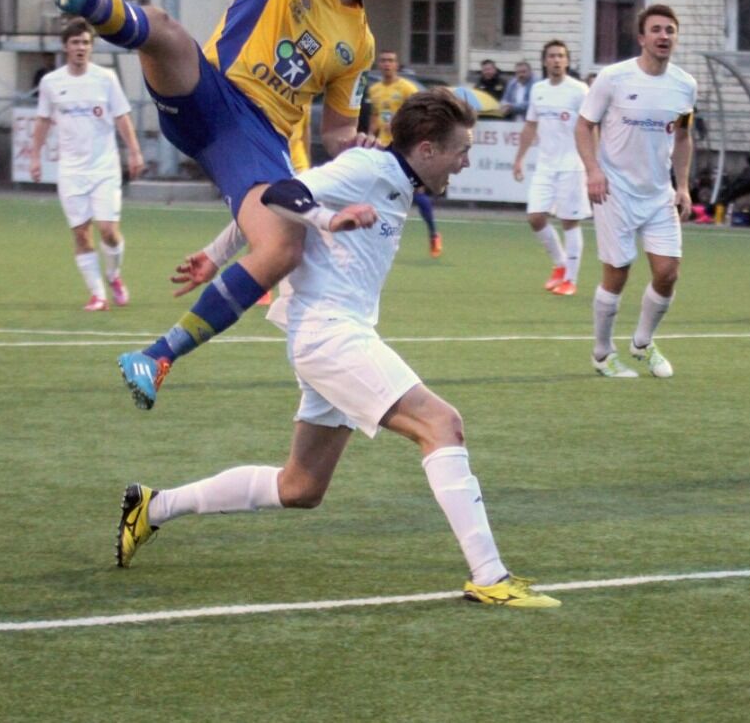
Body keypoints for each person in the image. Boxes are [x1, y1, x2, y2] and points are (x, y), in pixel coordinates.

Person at [115, 89, 560, 608]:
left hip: (334, 337)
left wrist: (217, 254)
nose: (464, 163)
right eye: (460, 151)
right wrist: (326, 221)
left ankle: (153, 506)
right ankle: (490, 575)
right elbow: (278, 193)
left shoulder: (392, 176)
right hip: (330, 336)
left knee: (300, 487)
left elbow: (286, 200)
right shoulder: (371, 168)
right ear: (427, 148)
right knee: (443, 424)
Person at [51, 0, 425, 409]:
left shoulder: (362, 46)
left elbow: (334, 134)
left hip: (250, 141)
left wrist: (367, 152)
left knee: (280, 249)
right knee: (168, 33)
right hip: (211, 92)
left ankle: (156, 357)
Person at [576, 5, 697, 379]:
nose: (664, 36)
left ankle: (642, 342)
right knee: (618, 272)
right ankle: (602, 353)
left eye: (670, 30)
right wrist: (593, 170)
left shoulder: (685, 85)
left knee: (668, 272)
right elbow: (583, 126)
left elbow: (683, 135)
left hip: (658, 192)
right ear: (642, 38)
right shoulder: (613, 78)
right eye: (656, 30)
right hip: (615, 189)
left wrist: (683, 186)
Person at [29, 17, 145, 310]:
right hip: (71, 170)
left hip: (104, 168)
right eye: (75, 42)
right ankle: (98, 295)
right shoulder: (51, 83)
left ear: (91, 47)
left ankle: (114, 275)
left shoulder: (106, 79)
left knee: (108, 230)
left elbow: (121, 116)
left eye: (85, 42)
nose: (80, 47)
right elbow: (43, 120)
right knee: (81, 233)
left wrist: (134, 151)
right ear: (66, 47)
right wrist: (34, 156)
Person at [512, 40, 590, 295]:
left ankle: (571, 279)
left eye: (561, 56)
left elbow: (591, 127)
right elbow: (530, 125)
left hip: (572, 165)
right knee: (535, 217)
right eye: (552, 56)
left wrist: (594, 164)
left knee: (569, 221)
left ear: (567, 61)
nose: (557, 60)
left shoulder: (580, 90)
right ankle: (559, 265)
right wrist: (519, 158)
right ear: (545, 61)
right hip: (545, 165)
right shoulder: (538, 90)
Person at [366, 50, 442, 257]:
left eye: (391, 60)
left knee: (417, 194)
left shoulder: (407, 88)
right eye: (383, 61)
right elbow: (375, 116)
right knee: (377, 193)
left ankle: (434, 234)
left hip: (405, 148)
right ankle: (378, 238)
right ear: (379, 65)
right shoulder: (375, 89)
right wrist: (369, 137)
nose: (387, 64)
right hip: (382, 148)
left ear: (397, 65)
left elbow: (421, 116)